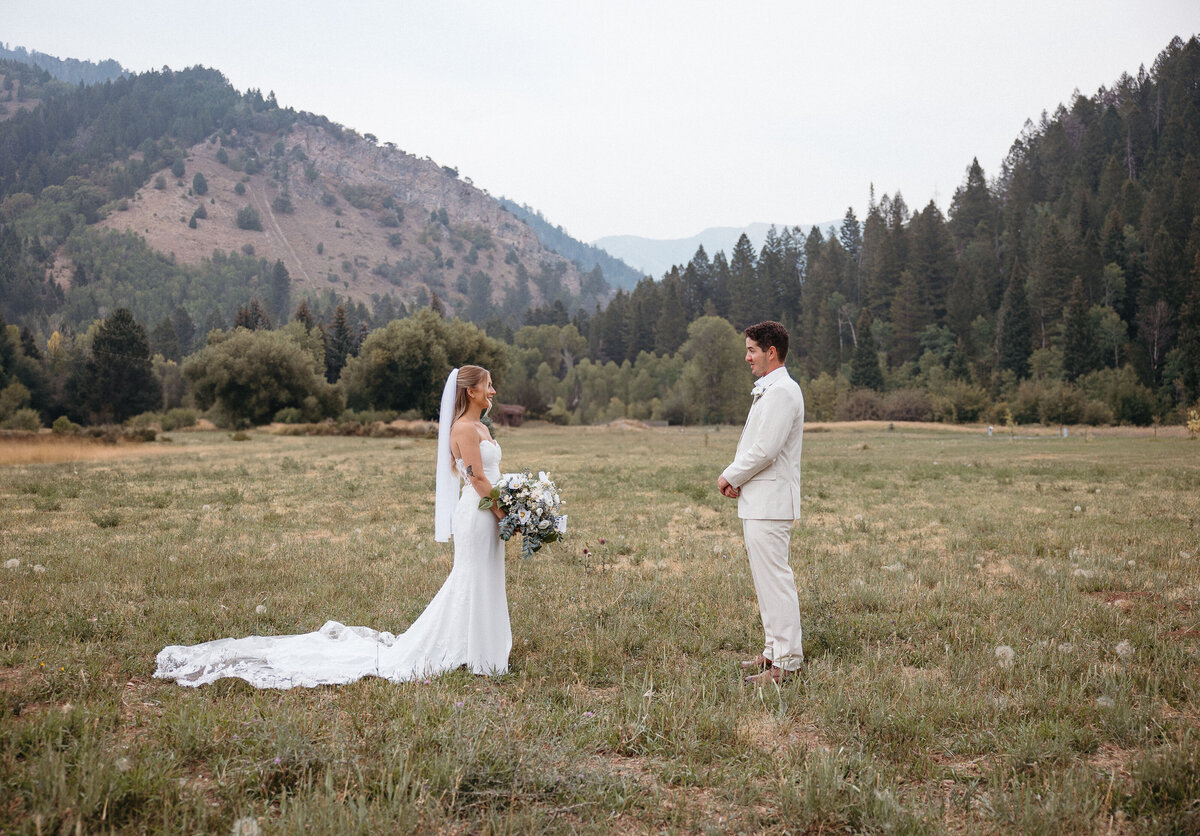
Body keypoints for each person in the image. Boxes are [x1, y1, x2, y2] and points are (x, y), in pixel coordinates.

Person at [154, 365, 511, 689]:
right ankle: (475, 654)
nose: (492, 391)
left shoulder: (481, 426)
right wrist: (505, 513)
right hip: (480, 512)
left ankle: (482, 650)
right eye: (488, 385)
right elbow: (477, 478)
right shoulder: (464, 428)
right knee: (471, 577)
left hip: (488, 511)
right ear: (470, 392)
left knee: (485, 576)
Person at [717, 321, 806, 686]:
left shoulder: (783, 391)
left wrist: (730, 475)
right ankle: (773, 650)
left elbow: (766, 449)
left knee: (776, 580)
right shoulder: (771, 390)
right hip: (761, 501)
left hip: (771, 503)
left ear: (772, 352)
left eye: (752, 349)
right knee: (764, 581)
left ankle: (786, 663)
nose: (747, 356)